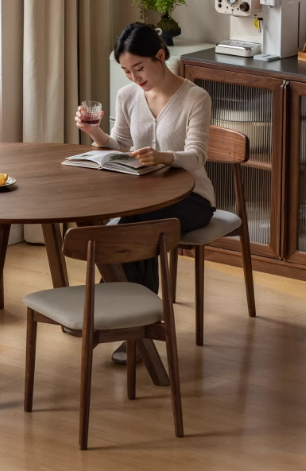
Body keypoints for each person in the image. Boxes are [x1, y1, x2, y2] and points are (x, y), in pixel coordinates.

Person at [75, 22, 216, 364]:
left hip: (192, 199)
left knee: (136, 225)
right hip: (143, 196)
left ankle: (118, 313)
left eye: (139, 68)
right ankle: (135, 323)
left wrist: (165, 157)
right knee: (137, 222)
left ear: (160, 55)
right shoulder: (127, 96)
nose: (134, 78)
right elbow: (121, 145)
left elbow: (197, 156)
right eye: (125, 71)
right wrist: (94, 134)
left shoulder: (195, 97)